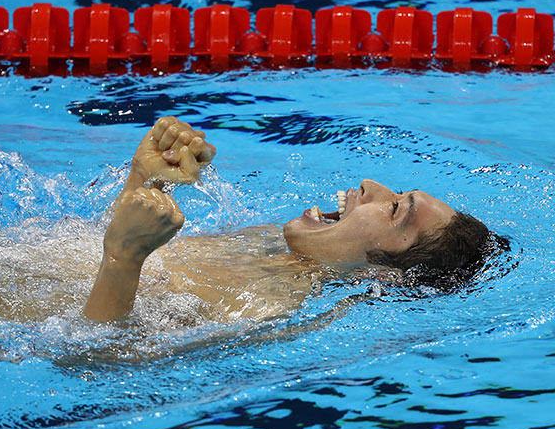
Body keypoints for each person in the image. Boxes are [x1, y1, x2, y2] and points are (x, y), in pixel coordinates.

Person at [84, 117, 492, 322]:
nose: (371, 184)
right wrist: (148, 181)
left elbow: (98, 358)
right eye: (399, 192)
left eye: (395, 209)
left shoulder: (267, 309)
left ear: (385, 275)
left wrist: (123, 256)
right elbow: (84, 258)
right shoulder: (266, 243)